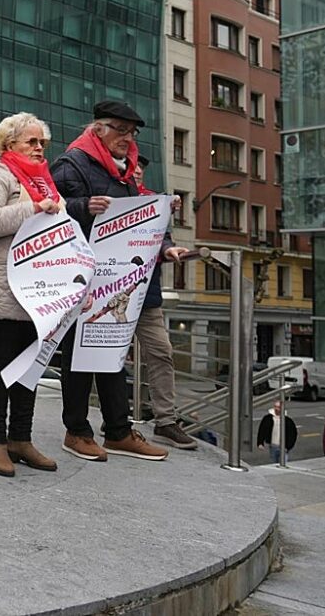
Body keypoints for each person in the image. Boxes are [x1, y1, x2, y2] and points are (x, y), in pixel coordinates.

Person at [50, 100, 184, 463]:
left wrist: (159, 219)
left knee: (111, 354)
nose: (128, 138)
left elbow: (133, 221)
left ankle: (118, 431)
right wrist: (82, 206)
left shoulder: (124, 174)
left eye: (132, 133)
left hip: (115, 280)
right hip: (80, 276)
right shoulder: (72, 163)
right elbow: (52, 208)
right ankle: (76, 431)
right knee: (78, 356)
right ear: (98, 130)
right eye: (121, 131)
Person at [0, 112, 61, 477]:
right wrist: (34, 208)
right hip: (5, 288)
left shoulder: (44, 181)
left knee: (29, 370)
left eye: (43, 143)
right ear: (9, 144)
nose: (40, 149)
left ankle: (20, 438)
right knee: (0, 367)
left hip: (39, 294)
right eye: (32, 142)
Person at [131, 155, 197, 449]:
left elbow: (164, 239)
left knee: (161, 352)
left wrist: (168, 250)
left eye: (140, 168)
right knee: (107, 358)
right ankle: (115, 416)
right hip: (109, 294)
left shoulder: (154, 204)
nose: (136, 171)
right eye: (130, 166)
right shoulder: (108, 198)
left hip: (147, 296)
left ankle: (166, 421)